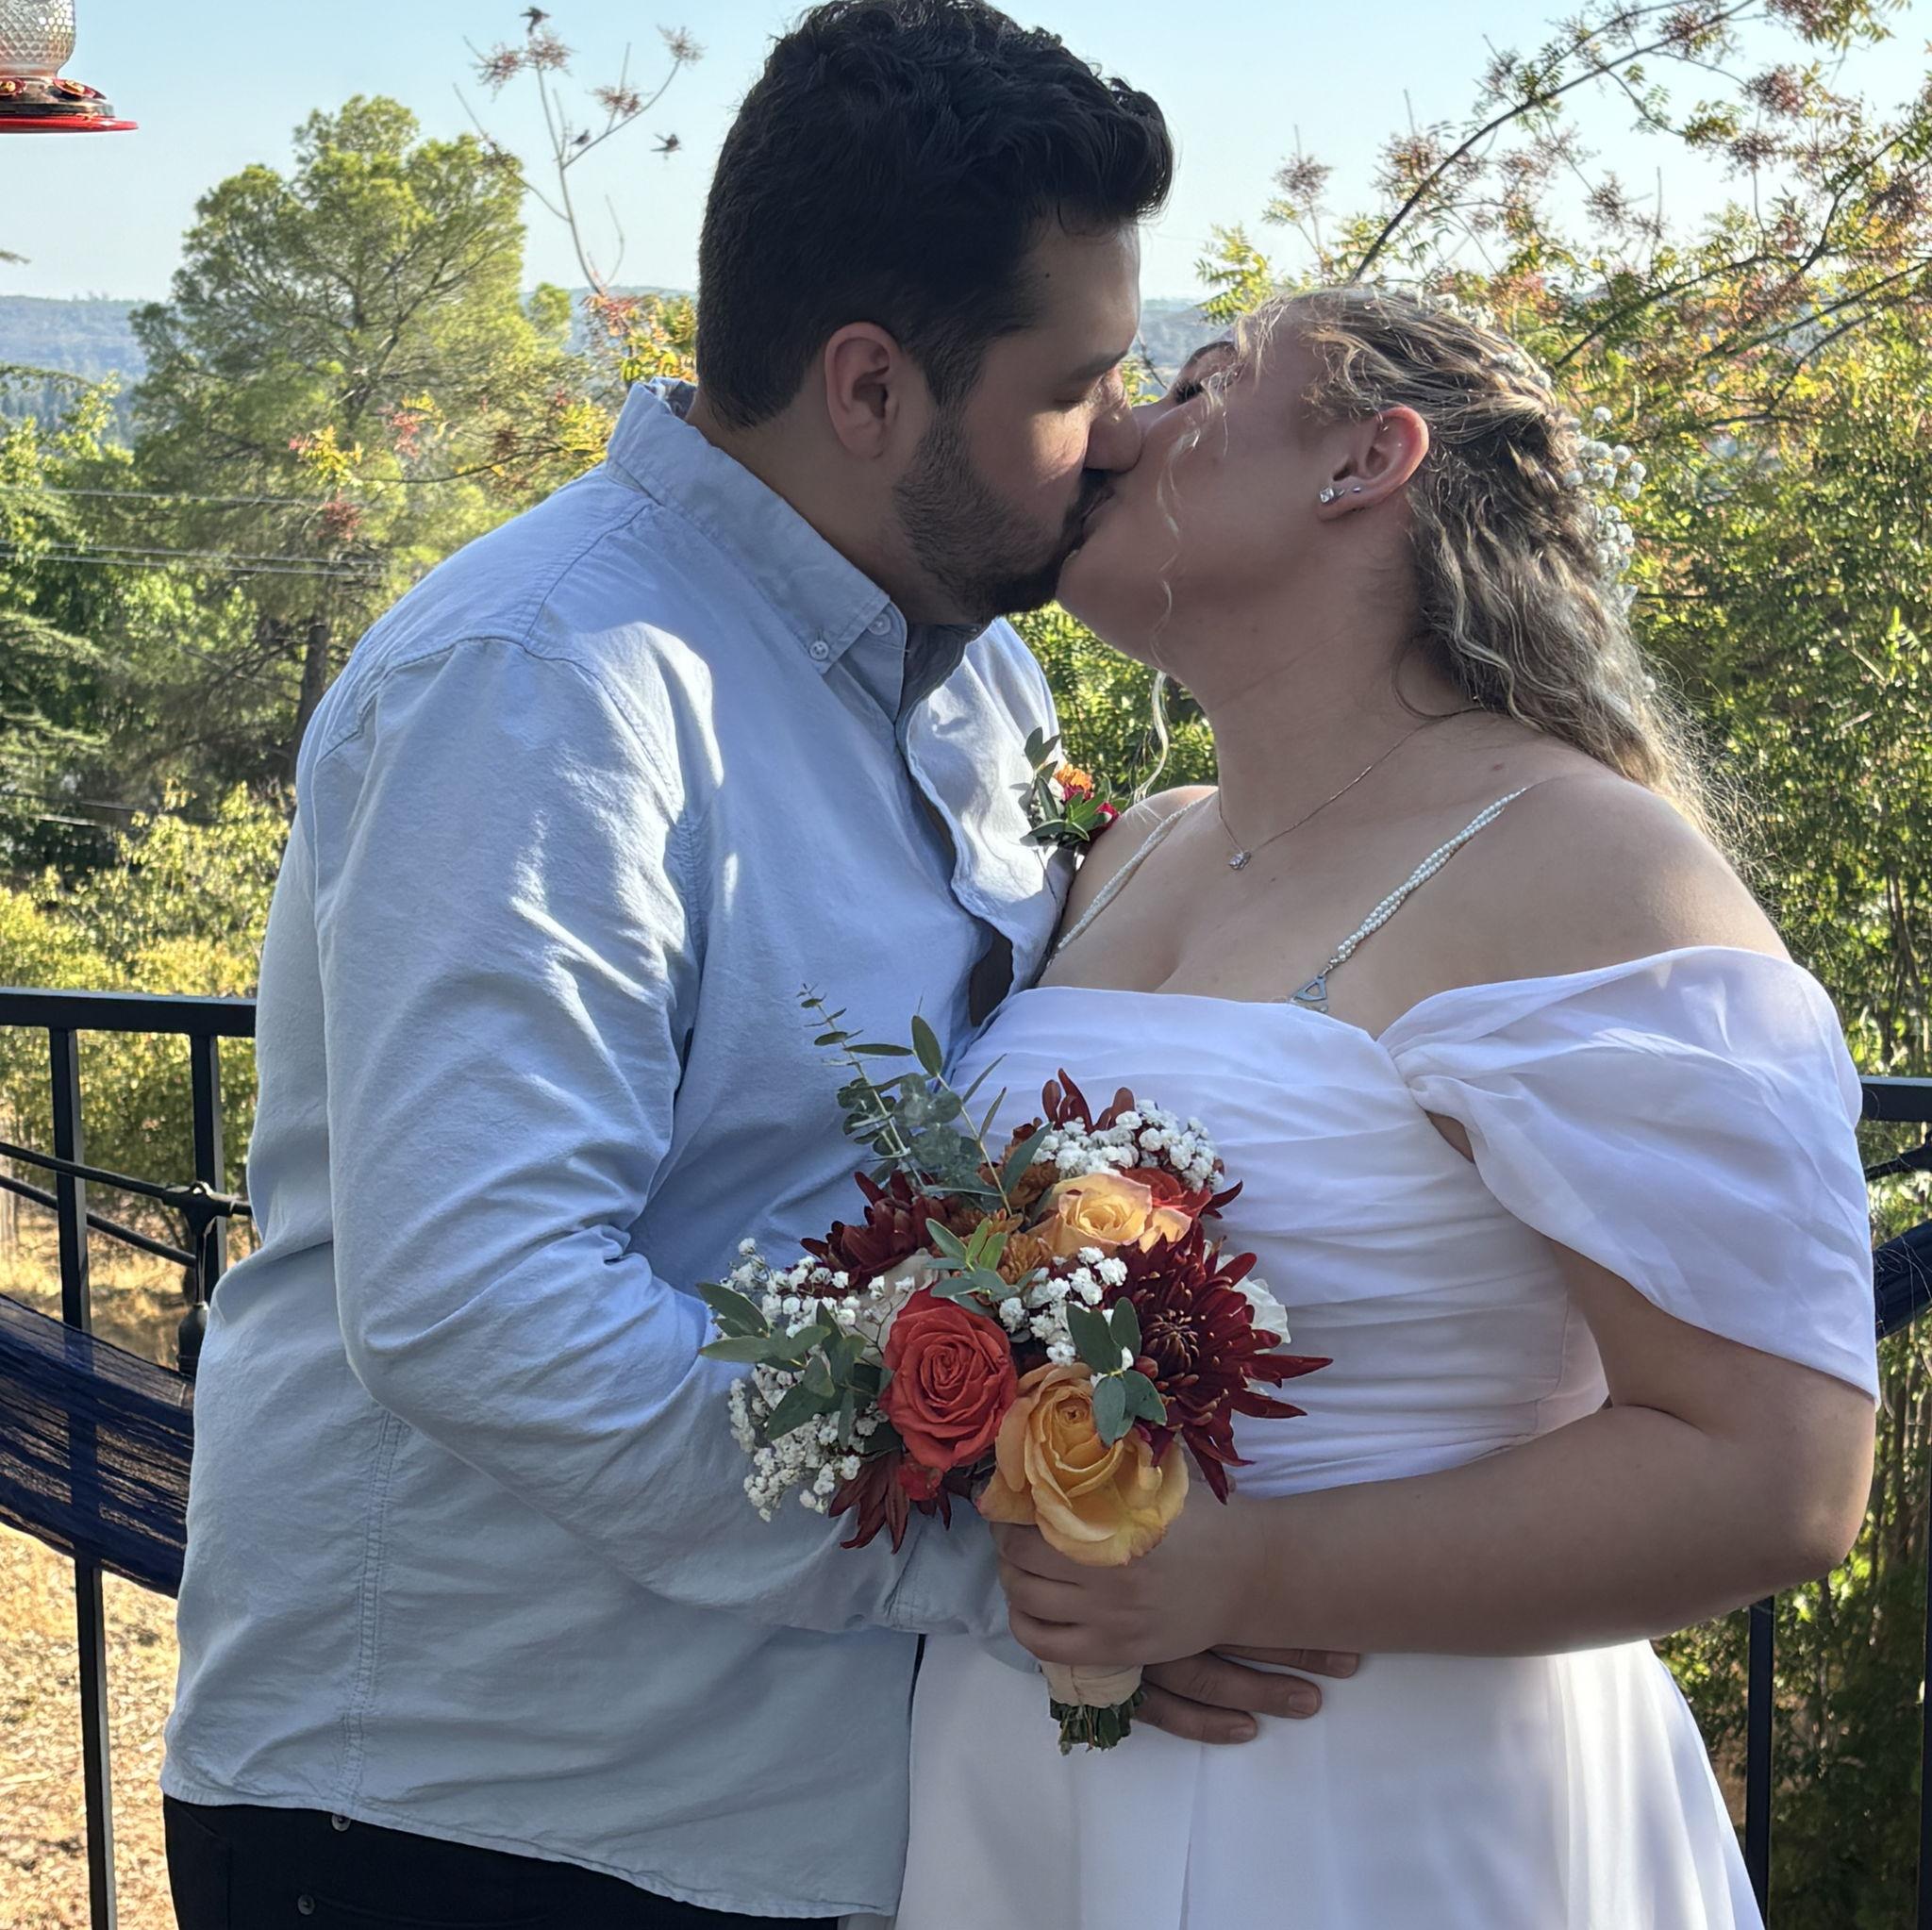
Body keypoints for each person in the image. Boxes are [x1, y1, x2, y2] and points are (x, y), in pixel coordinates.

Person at [159, 7, 1337, 1927]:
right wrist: (1009, 1567)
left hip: (795, 1806)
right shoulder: (549, 688)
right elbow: (482, 1304)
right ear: (867, 387)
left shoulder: (979, 677)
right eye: (1074, 384)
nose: (1123, 435)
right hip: (482, 1816)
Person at [893, 288, 1879, 1928]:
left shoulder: (1596, 866)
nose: (1117, 426)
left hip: (1384, 1799)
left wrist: (1255, 1569)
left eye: (1200, 384)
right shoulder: (1133, 844)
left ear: (1366, 460)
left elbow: (1777, 1473)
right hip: (1029, 1775)